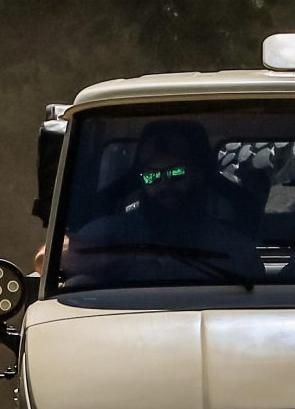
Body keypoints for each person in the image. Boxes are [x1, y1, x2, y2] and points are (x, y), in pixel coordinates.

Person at [64, 119, 265, 285]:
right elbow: (56, 260)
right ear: (140, 180)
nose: (164, 185)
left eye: (176, 173)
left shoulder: (232, 245)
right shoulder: (111, 234)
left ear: (198, 175)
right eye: (152, 176)